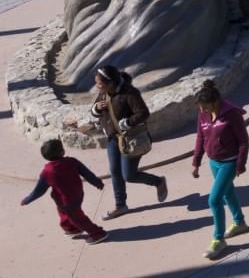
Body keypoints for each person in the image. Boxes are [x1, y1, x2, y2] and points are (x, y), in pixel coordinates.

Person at [90, 65, 168, 219]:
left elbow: (143, 113)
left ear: (110, 83)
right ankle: (120, 205)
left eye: (99, 83)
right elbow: (95, 110)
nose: (97, 86)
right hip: (113, 138)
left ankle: (158, 182)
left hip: (131, 139)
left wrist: (127, 122)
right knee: (115, 171)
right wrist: (97, 108)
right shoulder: (104, 93)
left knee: (129, 175)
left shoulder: (130, 93)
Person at [191, 80, 249, 260]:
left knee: (214, 200)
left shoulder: (231, 114)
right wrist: (196, 161)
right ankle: (239, 222)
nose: (203, 111)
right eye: (201, 107)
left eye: (206, 107)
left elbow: (243, 141)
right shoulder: (203, 115)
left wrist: (240, 164)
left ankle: (218, 240)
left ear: (216, 102)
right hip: (213, 162)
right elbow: (201, 138)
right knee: (227, 193)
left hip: (229, 163)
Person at [20, 139, 108, 245]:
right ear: (62, 152)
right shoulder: (72, 162)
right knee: (64, 214)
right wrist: (97, 183)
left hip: (67, 201)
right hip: (76, 195)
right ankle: (72, 229)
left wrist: (28, 199)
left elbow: (39, 190)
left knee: (78, 218)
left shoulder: (47, 172)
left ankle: (98, 233)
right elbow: (87, 173)